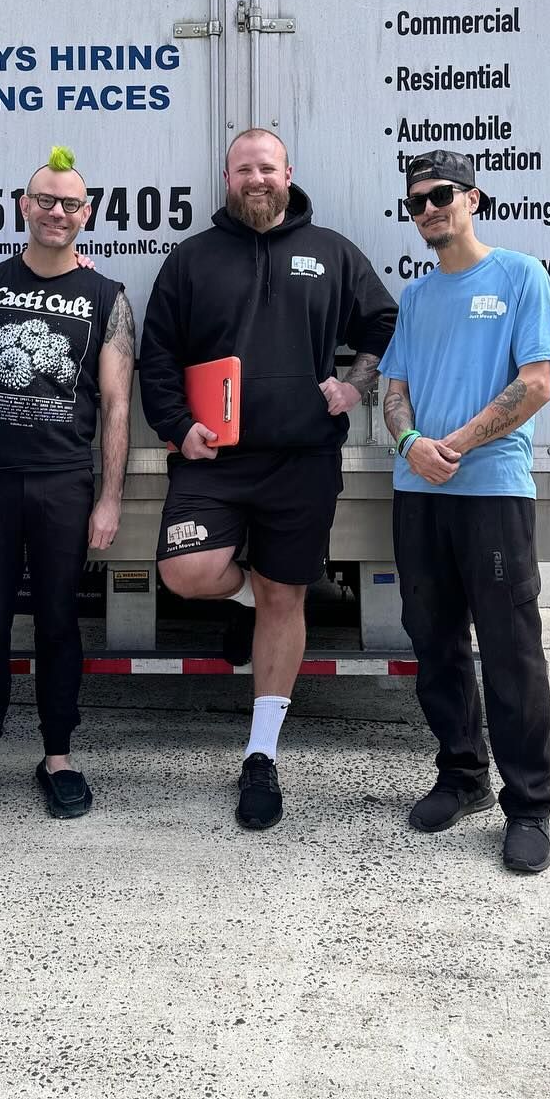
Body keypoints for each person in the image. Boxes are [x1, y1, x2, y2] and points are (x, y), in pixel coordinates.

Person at [139, 128, 397, 831]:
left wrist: (355, 386)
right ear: (227, 177)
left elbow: (384, 320)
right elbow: (156, 355)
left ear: (289, 172)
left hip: (302, 461)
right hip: (211, 461)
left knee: (288, 595)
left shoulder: (333, 252)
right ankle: (259, 598)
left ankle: (261, 755)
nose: (257, 178)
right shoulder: (192, 260)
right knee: (187, 572)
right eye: (244, 168)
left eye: (268, 167)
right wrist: (175, 425)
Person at [380, 149, 550, 876]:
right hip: (418, 494)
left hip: (491, 492)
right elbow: (392, 389)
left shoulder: (520, 276)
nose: (428, 209)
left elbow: (536, 385)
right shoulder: (418, 297)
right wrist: (408, 441)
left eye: (441, 195)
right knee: (435, 644)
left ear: (473, 199)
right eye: (416, 201)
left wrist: (448, 446)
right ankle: (462, 777)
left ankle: (528, 807)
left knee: (512, 651)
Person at [0, 145, 133, 823]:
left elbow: (116, 405)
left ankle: (59, 755)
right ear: (24, 207)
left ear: (88, 213)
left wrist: (108, 497)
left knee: (58, 620)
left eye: (71, 203)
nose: (58, 212)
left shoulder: (108, 297)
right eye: (45, 200)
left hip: (62, 482)